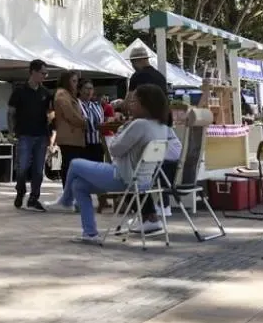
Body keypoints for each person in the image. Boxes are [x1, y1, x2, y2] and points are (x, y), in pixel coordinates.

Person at [46, 84, 173, 243]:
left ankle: (66, 201)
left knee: (75, 164)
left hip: (122, 176)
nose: (130, 105)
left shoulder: (140, 124)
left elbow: (114, 149)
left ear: (145, 104)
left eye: (134, 102)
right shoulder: (162, 127)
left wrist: (122, 129)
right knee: (79, 185)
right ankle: (90, 233)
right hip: (143, 180)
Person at [8, 59, 52, 211]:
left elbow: (50, 112)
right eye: (42, 73)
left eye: (46, 74)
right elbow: (11, 112)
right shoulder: (19, 91)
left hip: (41, 135)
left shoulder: (45, 93)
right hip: (24, 135)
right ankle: (20, 191)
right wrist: (11, 132)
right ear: (33, 72)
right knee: (22, 167)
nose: (44, 76)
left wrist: (51, 120)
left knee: (38, 170)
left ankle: (34, 197)